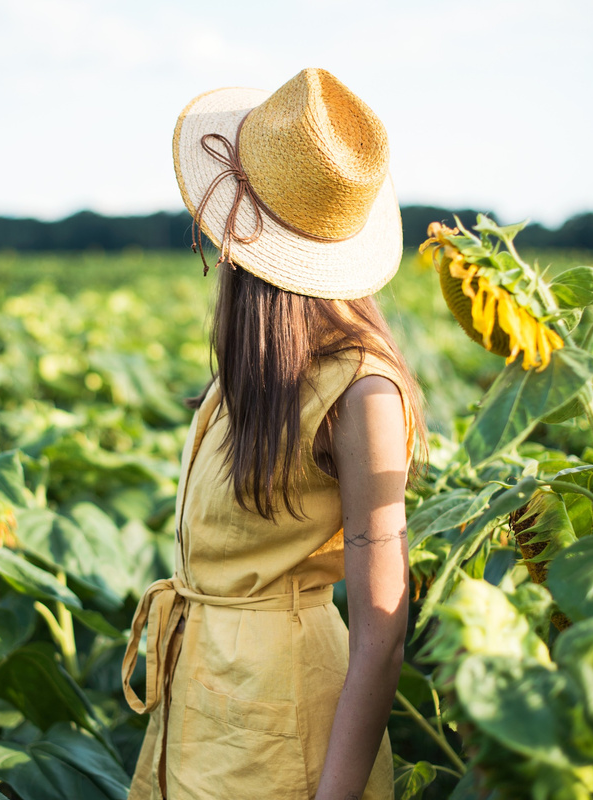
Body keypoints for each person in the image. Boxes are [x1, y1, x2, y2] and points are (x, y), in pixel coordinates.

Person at [121, 67, 426, 800]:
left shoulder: (362, 391)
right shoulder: (250, 373)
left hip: (287, 722)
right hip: (204, 704)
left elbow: (383, 633)